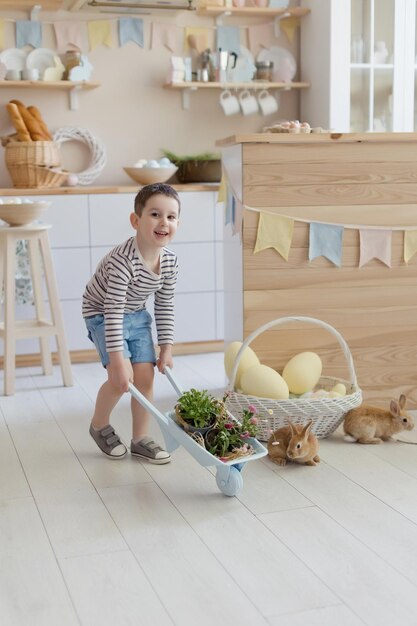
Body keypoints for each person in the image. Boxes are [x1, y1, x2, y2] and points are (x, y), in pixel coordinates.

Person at [82, 183, 180, 464]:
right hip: (101, 313)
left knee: (145, 378)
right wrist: (118, 360)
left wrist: (166, 348)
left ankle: (140, 439)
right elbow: (112, 312)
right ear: (136, 220)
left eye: (171, 217)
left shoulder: (170, 262)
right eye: (155, 214)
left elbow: (164, 304)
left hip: (135, 313)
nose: (164, 222)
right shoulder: (123, 262)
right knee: (119, 379)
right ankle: (99, 425)